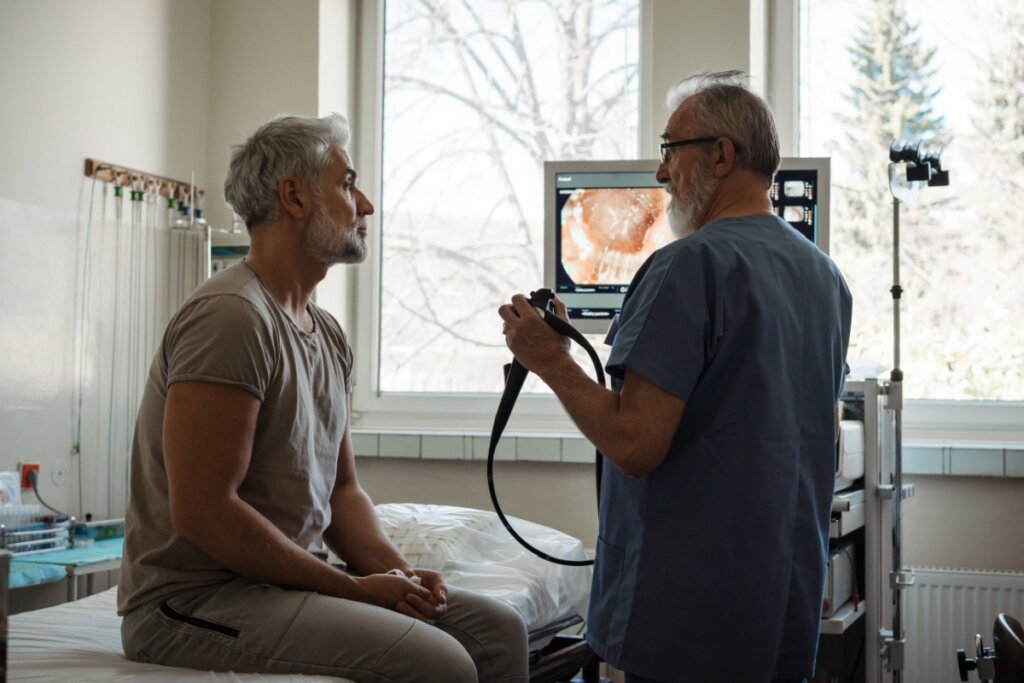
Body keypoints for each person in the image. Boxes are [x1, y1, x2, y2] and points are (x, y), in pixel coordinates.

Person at [118, 113, 528, 683]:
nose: (366, 205)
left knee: (496, 631)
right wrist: (355, 588)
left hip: (277, 587)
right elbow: (205, 511)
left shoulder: (326, 333)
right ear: (294, 196)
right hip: (193, 604)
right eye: (347, 182)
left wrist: (402, 577)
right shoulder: (232, 319)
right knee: (442, 664)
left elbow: (341, 490)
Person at [500, 71, 852, 683]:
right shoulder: (825, 278)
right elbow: (825, 437)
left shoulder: (686, 268)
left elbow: (636, 445)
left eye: (670, 151)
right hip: (778, 609)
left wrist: (549, 361)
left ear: (721, 154)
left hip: (685, 623)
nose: (661, 175)